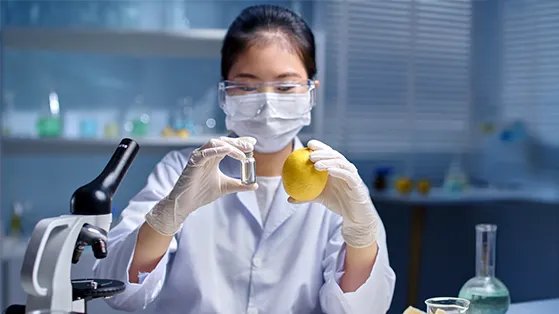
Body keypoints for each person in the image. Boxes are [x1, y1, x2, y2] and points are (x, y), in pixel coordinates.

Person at [93, 4, 395, 314]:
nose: (266, 101)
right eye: (247, 86)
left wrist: (361, 236)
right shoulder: (179, 170)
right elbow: (118, 291)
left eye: (285, 86)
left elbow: (362, 310)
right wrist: (168, 215)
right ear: (224, 93)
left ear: (310, 92)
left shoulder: (335, 180)